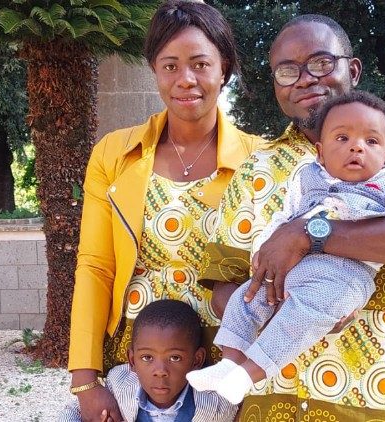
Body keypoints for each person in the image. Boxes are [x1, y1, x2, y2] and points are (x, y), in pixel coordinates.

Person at [199, 14, 385, 421]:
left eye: (321, 63)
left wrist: (310, 233)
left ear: (351, 69)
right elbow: (223, 287)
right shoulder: (256, 168)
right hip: (272, 398)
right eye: (287, 71)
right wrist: (287, 308)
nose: (305, 79)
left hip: (376, 392)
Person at [65, 1, 264, 421]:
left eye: (199, 63)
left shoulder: (260, 160)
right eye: (170, 65)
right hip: (138, 359)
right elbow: (95, 266)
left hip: (227, 354)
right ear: (154, 69)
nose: (185, 79)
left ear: (223, 68)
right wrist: (86, 380)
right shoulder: (114, 154)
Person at [59, 300, 238, 422]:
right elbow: (72, 411)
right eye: (147, 358)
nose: (160, 370)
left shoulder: (215, 404)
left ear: (197, 360)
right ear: (132, 360)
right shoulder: (120, 383)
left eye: (175, 358)